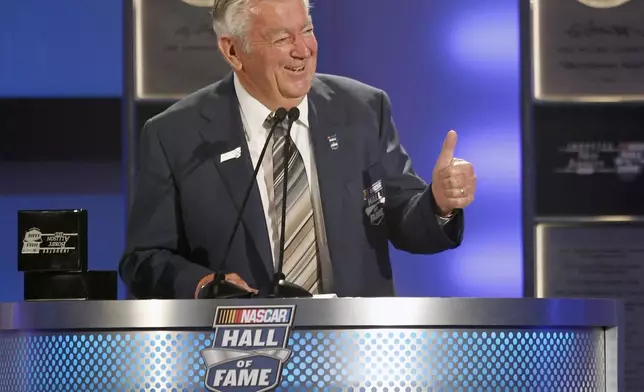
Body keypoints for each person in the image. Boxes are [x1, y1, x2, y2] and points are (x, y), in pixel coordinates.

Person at [119, 0, 477, 299]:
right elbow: (143, 260)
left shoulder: (362, 109)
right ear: (232, 51)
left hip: (355, 352)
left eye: (306, 30)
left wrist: (438, 204)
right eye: (281, 38)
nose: (303, 50)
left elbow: (403, 217)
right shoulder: (176, 135)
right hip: (236, 358)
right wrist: (202, 286)